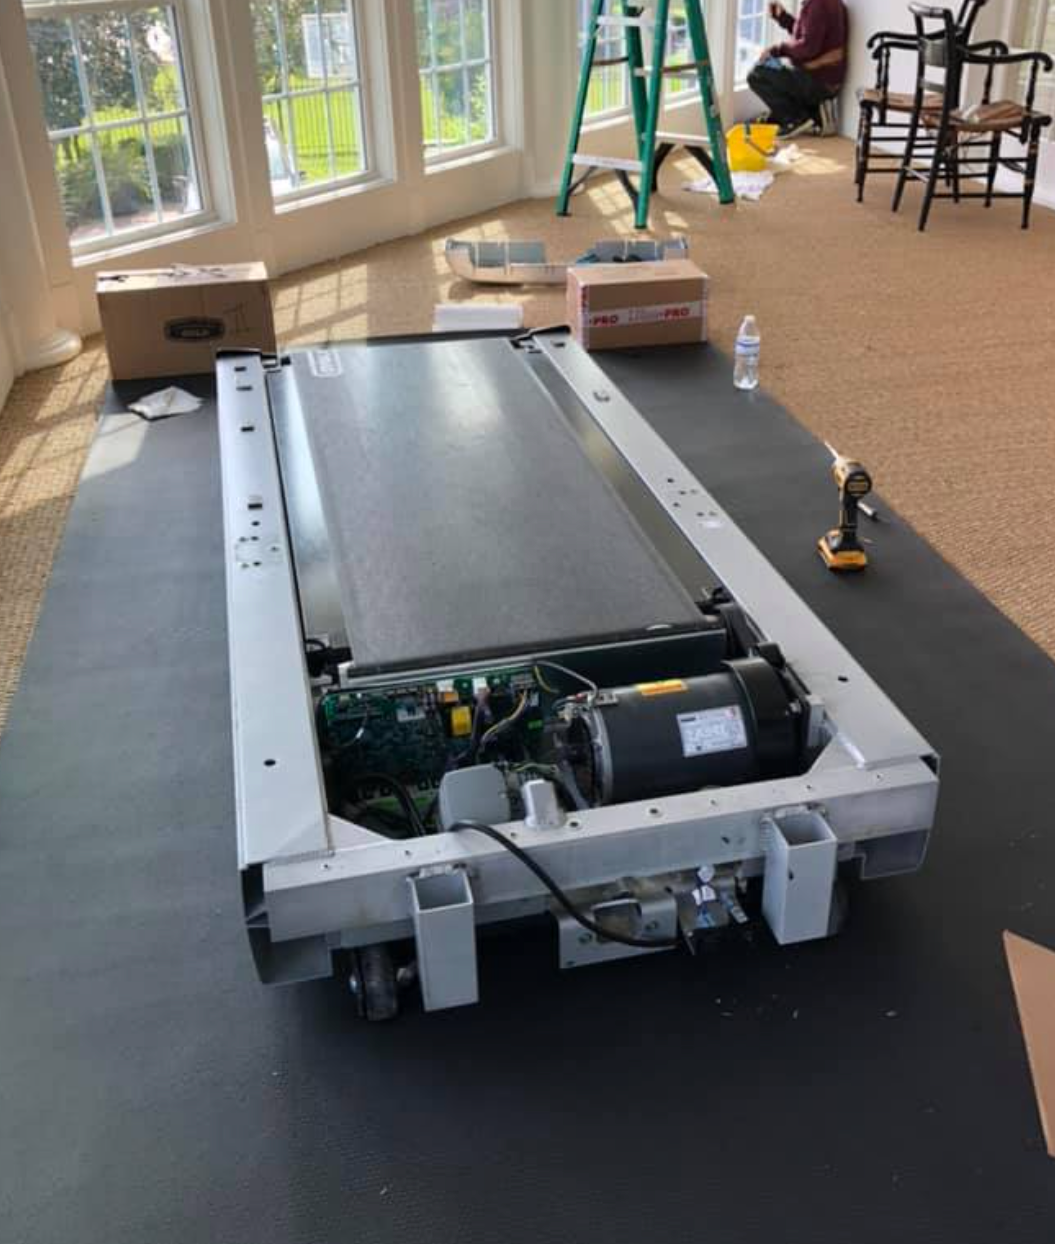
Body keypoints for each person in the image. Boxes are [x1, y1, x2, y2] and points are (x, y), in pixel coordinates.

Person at [747, 0, 848, 138]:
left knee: (756, 74)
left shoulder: (818, 5)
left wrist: (777, 50)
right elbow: (809, 34)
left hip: (818, 83)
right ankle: (807, 115)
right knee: (771, 69)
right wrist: (783, 18)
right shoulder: (824, 4)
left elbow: (808, 48)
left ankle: (794, 119)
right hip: (821, 79)